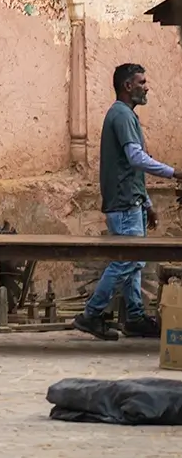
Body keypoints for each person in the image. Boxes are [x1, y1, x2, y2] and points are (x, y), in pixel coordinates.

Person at [73, 62, 181, 340]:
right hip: (123, 204)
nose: (147, 87)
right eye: (142, 82)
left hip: (130, 202)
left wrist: (146, 204)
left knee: (134, 261)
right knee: (126, 261)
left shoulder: (124, 115)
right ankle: (91, 314)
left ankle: (134, 317)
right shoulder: (121, 115)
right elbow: (136, 159)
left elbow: (128, 169)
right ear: (128, 86)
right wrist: (173, 172)